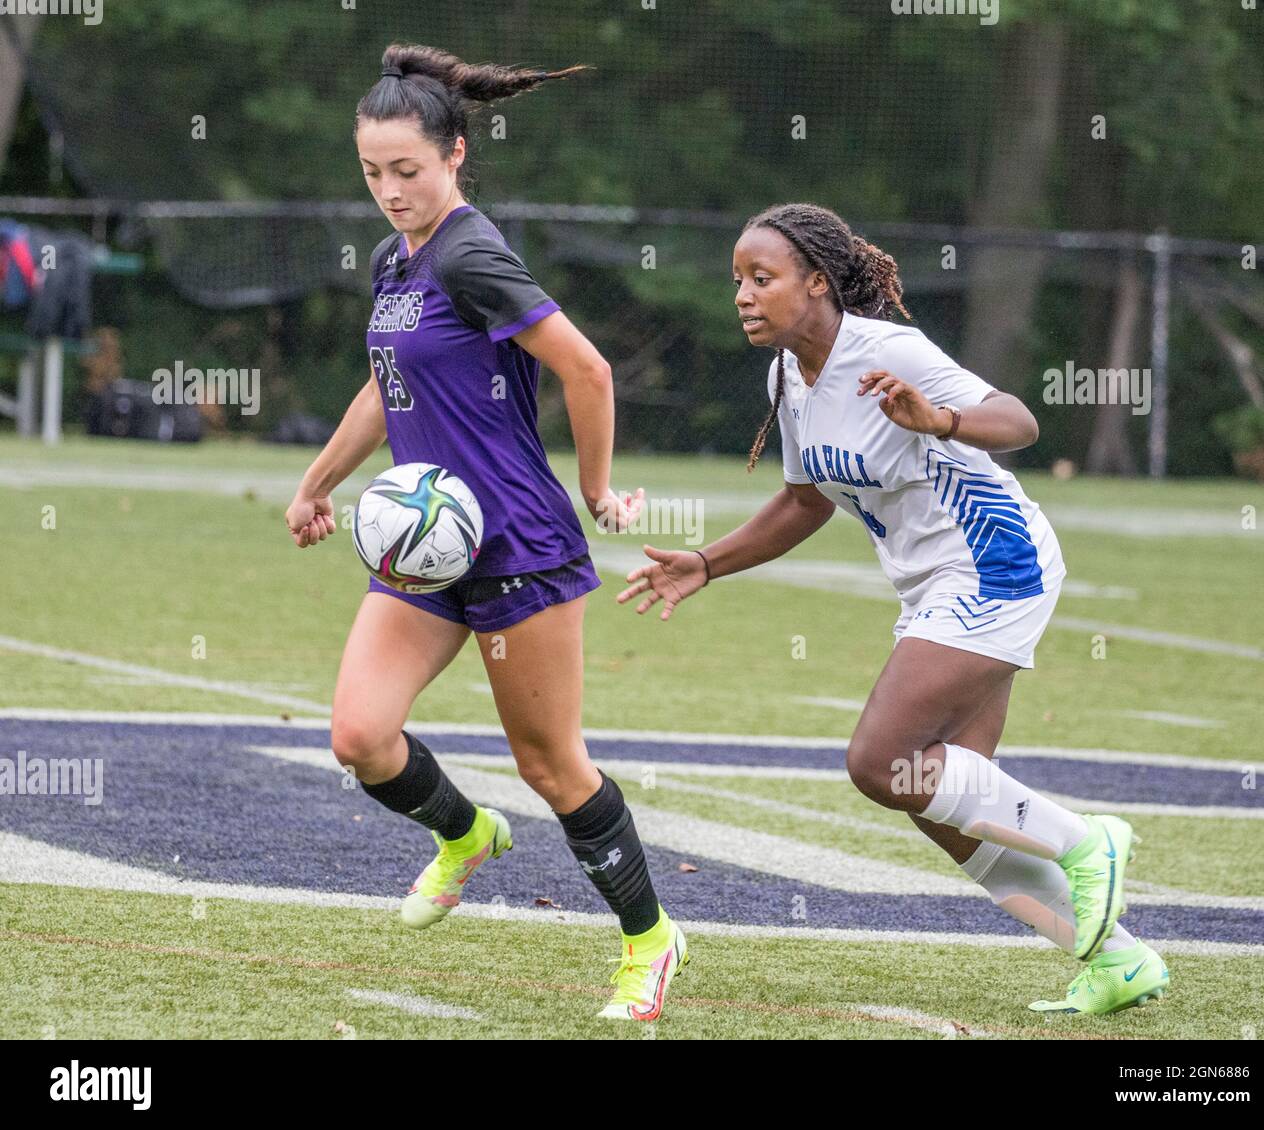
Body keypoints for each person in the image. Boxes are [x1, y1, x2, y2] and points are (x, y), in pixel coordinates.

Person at [618, 202, 1168, 1015]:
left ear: (815, 282)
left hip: (994, 563)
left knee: (881, 763)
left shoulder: (888, 350)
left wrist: (938, 418)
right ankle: (1119, 962)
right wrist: (707, 562)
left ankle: (1090, 843)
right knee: (943, 806)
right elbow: (803, 503)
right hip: (934, 586)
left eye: (760, 278)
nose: (742, 293)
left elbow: (1019, 420)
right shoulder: (788, 376)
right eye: (737, 279)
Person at [285, 45, 687, 1022]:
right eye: (372, 172)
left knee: (551, 765)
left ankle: (649, 937)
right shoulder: (395, 260)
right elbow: (386, 390)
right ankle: (463, 837)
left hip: (514, 543)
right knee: (360, 734)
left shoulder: (468, 252)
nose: (389, 190)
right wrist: (315, 483)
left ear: (454, 154)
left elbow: (585, 369)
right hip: (426, 546)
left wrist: (597, 490)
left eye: (407, 171)